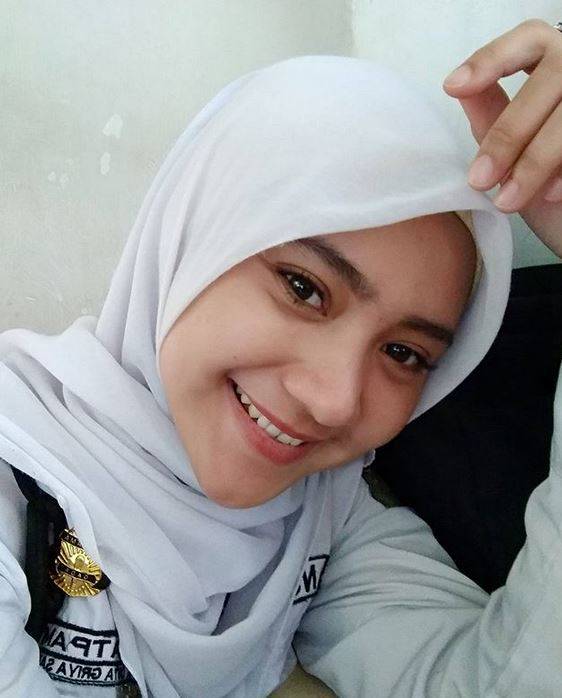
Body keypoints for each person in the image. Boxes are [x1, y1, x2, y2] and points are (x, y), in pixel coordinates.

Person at [0, 17, 560, 698]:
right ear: (190, 238)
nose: (335, 400)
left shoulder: (323, 516)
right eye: (303, 288)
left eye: (403, 353)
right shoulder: (16, 483)